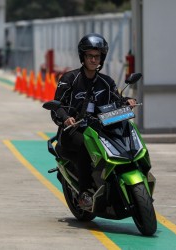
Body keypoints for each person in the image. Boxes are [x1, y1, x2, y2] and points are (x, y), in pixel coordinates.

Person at [52, 33, 136, 209]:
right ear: (83, 57)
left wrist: (127, 101)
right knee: (86, 144)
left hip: (100, 128)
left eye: (97, 56)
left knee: (125, 134)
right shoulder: (70, 79)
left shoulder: (106, 82)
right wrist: (66, 118)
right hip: (73, 131)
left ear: (101, 58)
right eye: (89, 56)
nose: (93, 59)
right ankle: (84, 193)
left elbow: (117, 99)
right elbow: (57, 106)